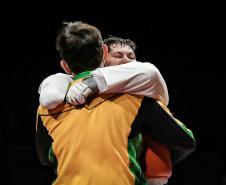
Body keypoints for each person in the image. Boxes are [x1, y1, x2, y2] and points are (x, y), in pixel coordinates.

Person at [36, 21, 196, 185]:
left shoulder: (46, 107)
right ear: (104, 53)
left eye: (131, 57)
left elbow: (45, 158)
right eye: (118, 55)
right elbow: (185, 142)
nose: (126, 62)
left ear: (64, 65)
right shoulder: (137, 98)